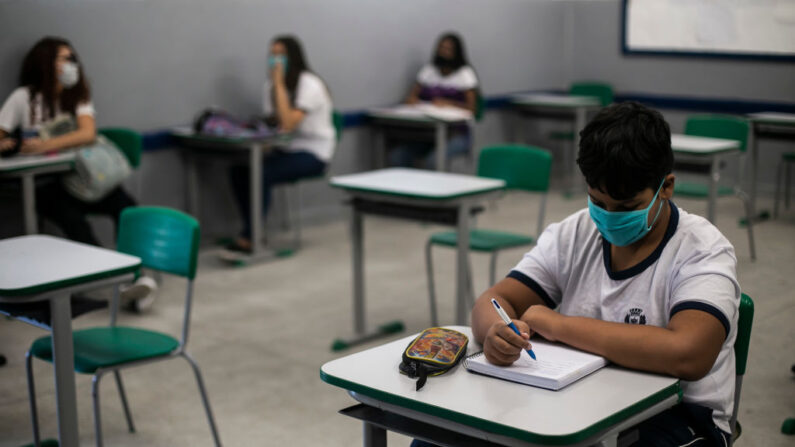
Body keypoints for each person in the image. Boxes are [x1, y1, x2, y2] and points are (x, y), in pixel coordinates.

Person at [464, 102, 738, 447]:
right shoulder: (575, 233)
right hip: (583, 400)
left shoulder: (702, 250)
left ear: (665, 187)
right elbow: (495, 300)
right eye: (598, 202)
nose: (609, 218)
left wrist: (558, 325)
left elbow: (688, 354)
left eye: (627, 208)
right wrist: (496, 333)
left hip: (678, 416)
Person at [0, 37, 155, 311]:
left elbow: (87, 133)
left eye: (73, 58)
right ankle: (111, 278)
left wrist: (44, 145)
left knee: (127, 208)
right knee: (74, 221)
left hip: (83, 179)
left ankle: (137, 278)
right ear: (45, 62)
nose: (71, 64)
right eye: (63, 58)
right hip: (44, 184)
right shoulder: (23, 98)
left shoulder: (77, 95)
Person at [226, 35, 334, 254]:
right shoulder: (270, 87)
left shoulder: (310, 84)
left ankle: (251, 236)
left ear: (293, 57)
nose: (275, 60)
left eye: (281, 55)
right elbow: (274, 125)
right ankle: (254, 228)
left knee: (261, 174)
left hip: (313, 153)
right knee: (239, 171)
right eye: (272, 55)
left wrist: (278, 84)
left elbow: (288, 123)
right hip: (285, 149)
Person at [389, 32, 478, 169]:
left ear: (456, 52)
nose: (444, 52)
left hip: (456, 134)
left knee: (433, 162)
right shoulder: (429, 70)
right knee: (398, 156)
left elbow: (472, 109)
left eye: (448, 49)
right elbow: (411, 97)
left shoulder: (465, 74)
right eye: (441, 48)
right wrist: (415, 102)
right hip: (428, 133)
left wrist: (450, 104)